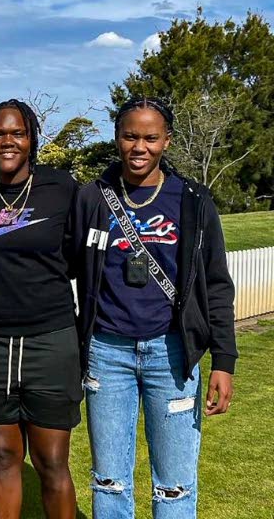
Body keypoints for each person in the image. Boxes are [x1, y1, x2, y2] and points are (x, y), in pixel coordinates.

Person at [72, 97, 237, 518]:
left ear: (166, 140)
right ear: (117, 137)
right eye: (130, 135)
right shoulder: (92, 197)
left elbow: (216, 284)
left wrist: (224, 361)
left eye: (150, 137)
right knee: (109, 482)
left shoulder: (193, 200)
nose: (139, 146)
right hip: (107, 354)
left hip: (173, 354)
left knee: (175, 486)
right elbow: (64, 265)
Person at [0, 100, 81, 518]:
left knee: (51, 461)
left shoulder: (61, 188)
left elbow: (76, 256)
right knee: (4, 456)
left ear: (32, 140)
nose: (8, 141)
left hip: (51, 339)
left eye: (18, 133)